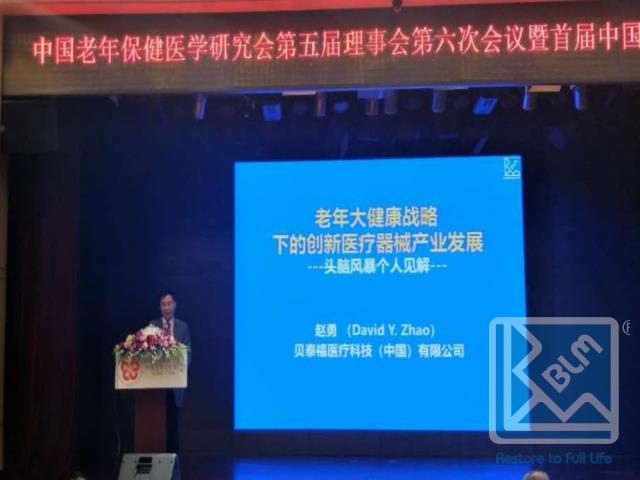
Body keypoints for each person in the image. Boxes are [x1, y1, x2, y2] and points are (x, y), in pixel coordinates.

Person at [150, 291, 191, 454]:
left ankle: (173, 460)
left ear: (175, 305)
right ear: (160, 307)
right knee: (156, 424)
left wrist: (180, 362)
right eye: (163, 304)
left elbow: (188, 353)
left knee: (173, 425)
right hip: (156, 385)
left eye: (169, 304)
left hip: (175, 385)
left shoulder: (183, 327)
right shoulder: (152, 327)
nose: (166, 308)